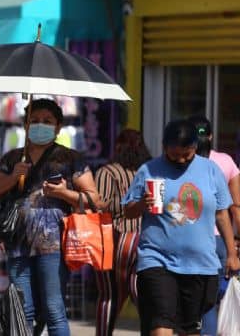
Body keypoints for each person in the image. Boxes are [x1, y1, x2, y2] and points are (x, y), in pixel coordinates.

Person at [0, 99, 101, 336]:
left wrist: (63, 193)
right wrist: (13, 176)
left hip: (54, 245)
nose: (40, 125)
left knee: (53, 309)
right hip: (17, 244)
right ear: (25, 125)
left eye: (47, 121)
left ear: (58, 127)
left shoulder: (70, 158)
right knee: (22, 310)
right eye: (34, 120)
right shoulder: (13, 158)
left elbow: (93, 200)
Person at [123, 119, 240, 336]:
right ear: (164, 146)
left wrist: (232, 253)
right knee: (161, 324)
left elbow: (222, 214)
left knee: (190, 328)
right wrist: (142, 204)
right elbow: (128, 210)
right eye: (174, 155)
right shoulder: (148, 169)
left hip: (200, 264)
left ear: (196, 147)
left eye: (187, 154)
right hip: (156, 259)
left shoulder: (211, 170)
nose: (181, 161)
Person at [94, 129, 152, 336]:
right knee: (142, 292)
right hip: (148, 238)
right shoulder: (150, 171)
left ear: (118, 147)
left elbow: (101, 206)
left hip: (118, 238)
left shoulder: (108, 172)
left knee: (109, 295)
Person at [188, 116, 240, 336]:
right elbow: (236, 207)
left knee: (191, 302)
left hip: (188, 239)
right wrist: (236, 244)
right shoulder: (226, 162)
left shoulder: (181, 160)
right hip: (219, 241)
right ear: (210, 135)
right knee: (211, 302)